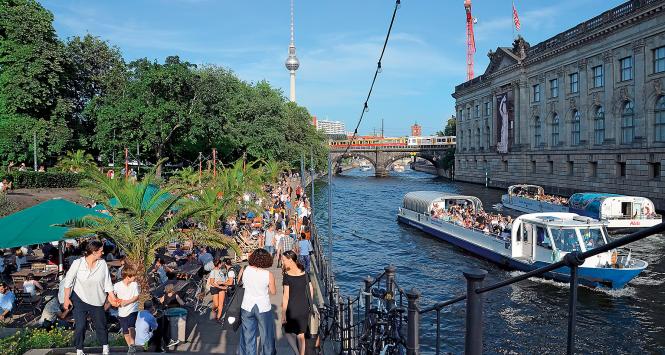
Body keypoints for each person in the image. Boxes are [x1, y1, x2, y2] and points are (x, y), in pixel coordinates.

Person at [62, 240, 118, 355]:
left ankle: (105, 347)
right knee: (80, 325)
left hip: (97, 299)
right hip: (79, 298)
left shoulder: (102, 264)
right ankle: (79, 349)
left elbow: (107, 283)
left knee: (100, 324)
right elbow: (68, 282)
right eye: (101, 251)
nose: (102, 253)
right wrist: (66, 299)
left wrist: (113, 298)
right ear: (94, 252)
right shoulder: (78, 263)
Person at [238, 248, 276, 355]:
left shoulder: (244, 269)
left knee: (248, 335)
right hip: (263, 306)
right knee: (266, 335)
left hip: (247, 305)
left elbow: (240, 284)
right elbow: (273, 291)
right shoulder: (268, 274)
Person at [281, 250, 313, 355]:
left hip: (292, 307)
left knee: (287, 331)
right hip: (304, 306)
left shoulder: (287, 276)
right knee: (301, 334)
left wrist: (283, 313)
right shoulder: (305, 273)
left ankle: (296, 352)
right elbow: (311, 290)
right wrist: (309, 304)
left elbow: (286, 296)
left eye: (284, 260)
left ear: (290, 260)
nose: (283, 262)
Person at [114, 266, 140, 354]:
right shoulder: (117, 285)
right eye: (133, 276)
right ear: (127, 276)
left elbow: (136, 297)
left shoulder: (134, 284)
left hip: (133, 309)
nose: (135, 277)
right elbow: (111, 297)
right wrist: (114, 303)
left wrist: (127, 302)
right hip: (122, 311)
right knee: (125, 331)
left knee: (131, 326)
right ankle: (130, 348)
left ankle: (132, 345)